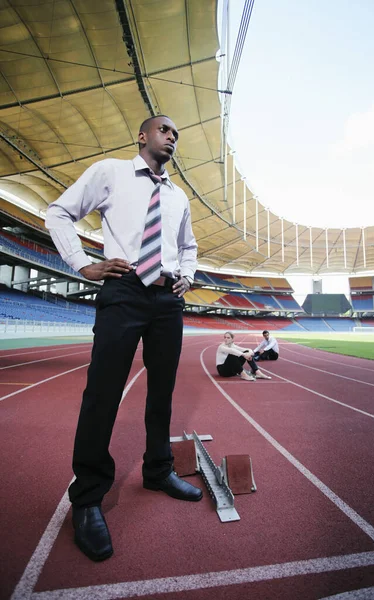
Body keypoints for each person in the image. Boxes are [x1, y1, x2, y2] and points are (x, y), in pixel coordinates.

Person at [45, 115, 202, 562]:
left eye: (176, 133)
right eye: (164, 129)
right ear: (143, 135)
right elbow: (58, 211)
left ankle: (158, 470)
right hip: (124, 288)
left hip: (167, 299)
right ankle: (89, 498)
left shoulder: (179, 196)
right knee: (103, 392)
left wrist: (187, 276)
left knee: (162, 394)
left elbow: (187, 245)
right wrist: (81, 262)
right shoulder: (111, 172)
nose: (172, 136)